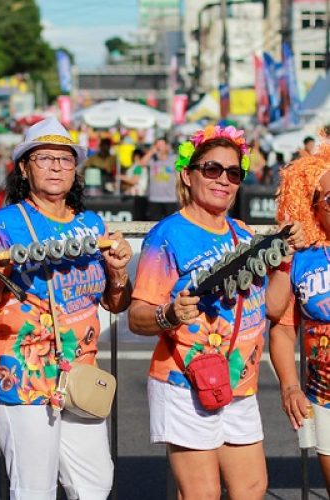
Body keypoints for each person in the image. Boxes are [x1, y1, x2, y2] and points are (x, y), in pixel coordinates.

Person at [128, 125, 303, 499]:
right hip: (186, 381)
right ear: (187, 175)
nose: (224, 179)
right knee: (201, 493)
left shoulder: (242, 234)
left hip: (240, 382)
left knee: (253, 487)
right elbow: (137, 315)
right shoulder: (167, 235)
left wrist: (285, 264)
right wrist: (169, 315)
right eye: (212, 169)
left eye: (234, 172)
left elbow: (271, 307)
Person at [0, 117, 133, 499]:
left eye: (66, 159)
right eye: (44, 158)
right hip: (22, 371)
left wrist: (120, 272)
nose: (57, 166)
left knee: (95, 484)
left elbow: (114, 301)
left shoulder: (92, 224)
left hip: (79, 372)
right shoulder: (5, 225)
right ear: (24, 169)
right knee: (33, 489)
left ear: (76, 171)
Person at [267, 142, 330, 495]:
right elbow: (281, 325)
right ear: (315, 208)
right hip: (324, 399)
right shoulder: (303, 259)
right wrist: (290, 385)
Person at [140, 136, 178, 221]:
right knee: (154, 224)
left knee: (171, 224)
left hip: (170, 199)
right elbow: (141, 164)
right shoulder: (152, 159)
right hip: (154, 198)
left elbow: (179, 176)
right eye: (157, 146)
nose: (159, 148)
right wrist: (151, 152)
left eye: (161, 145)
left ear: (167, 146)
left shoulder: (174, 158)